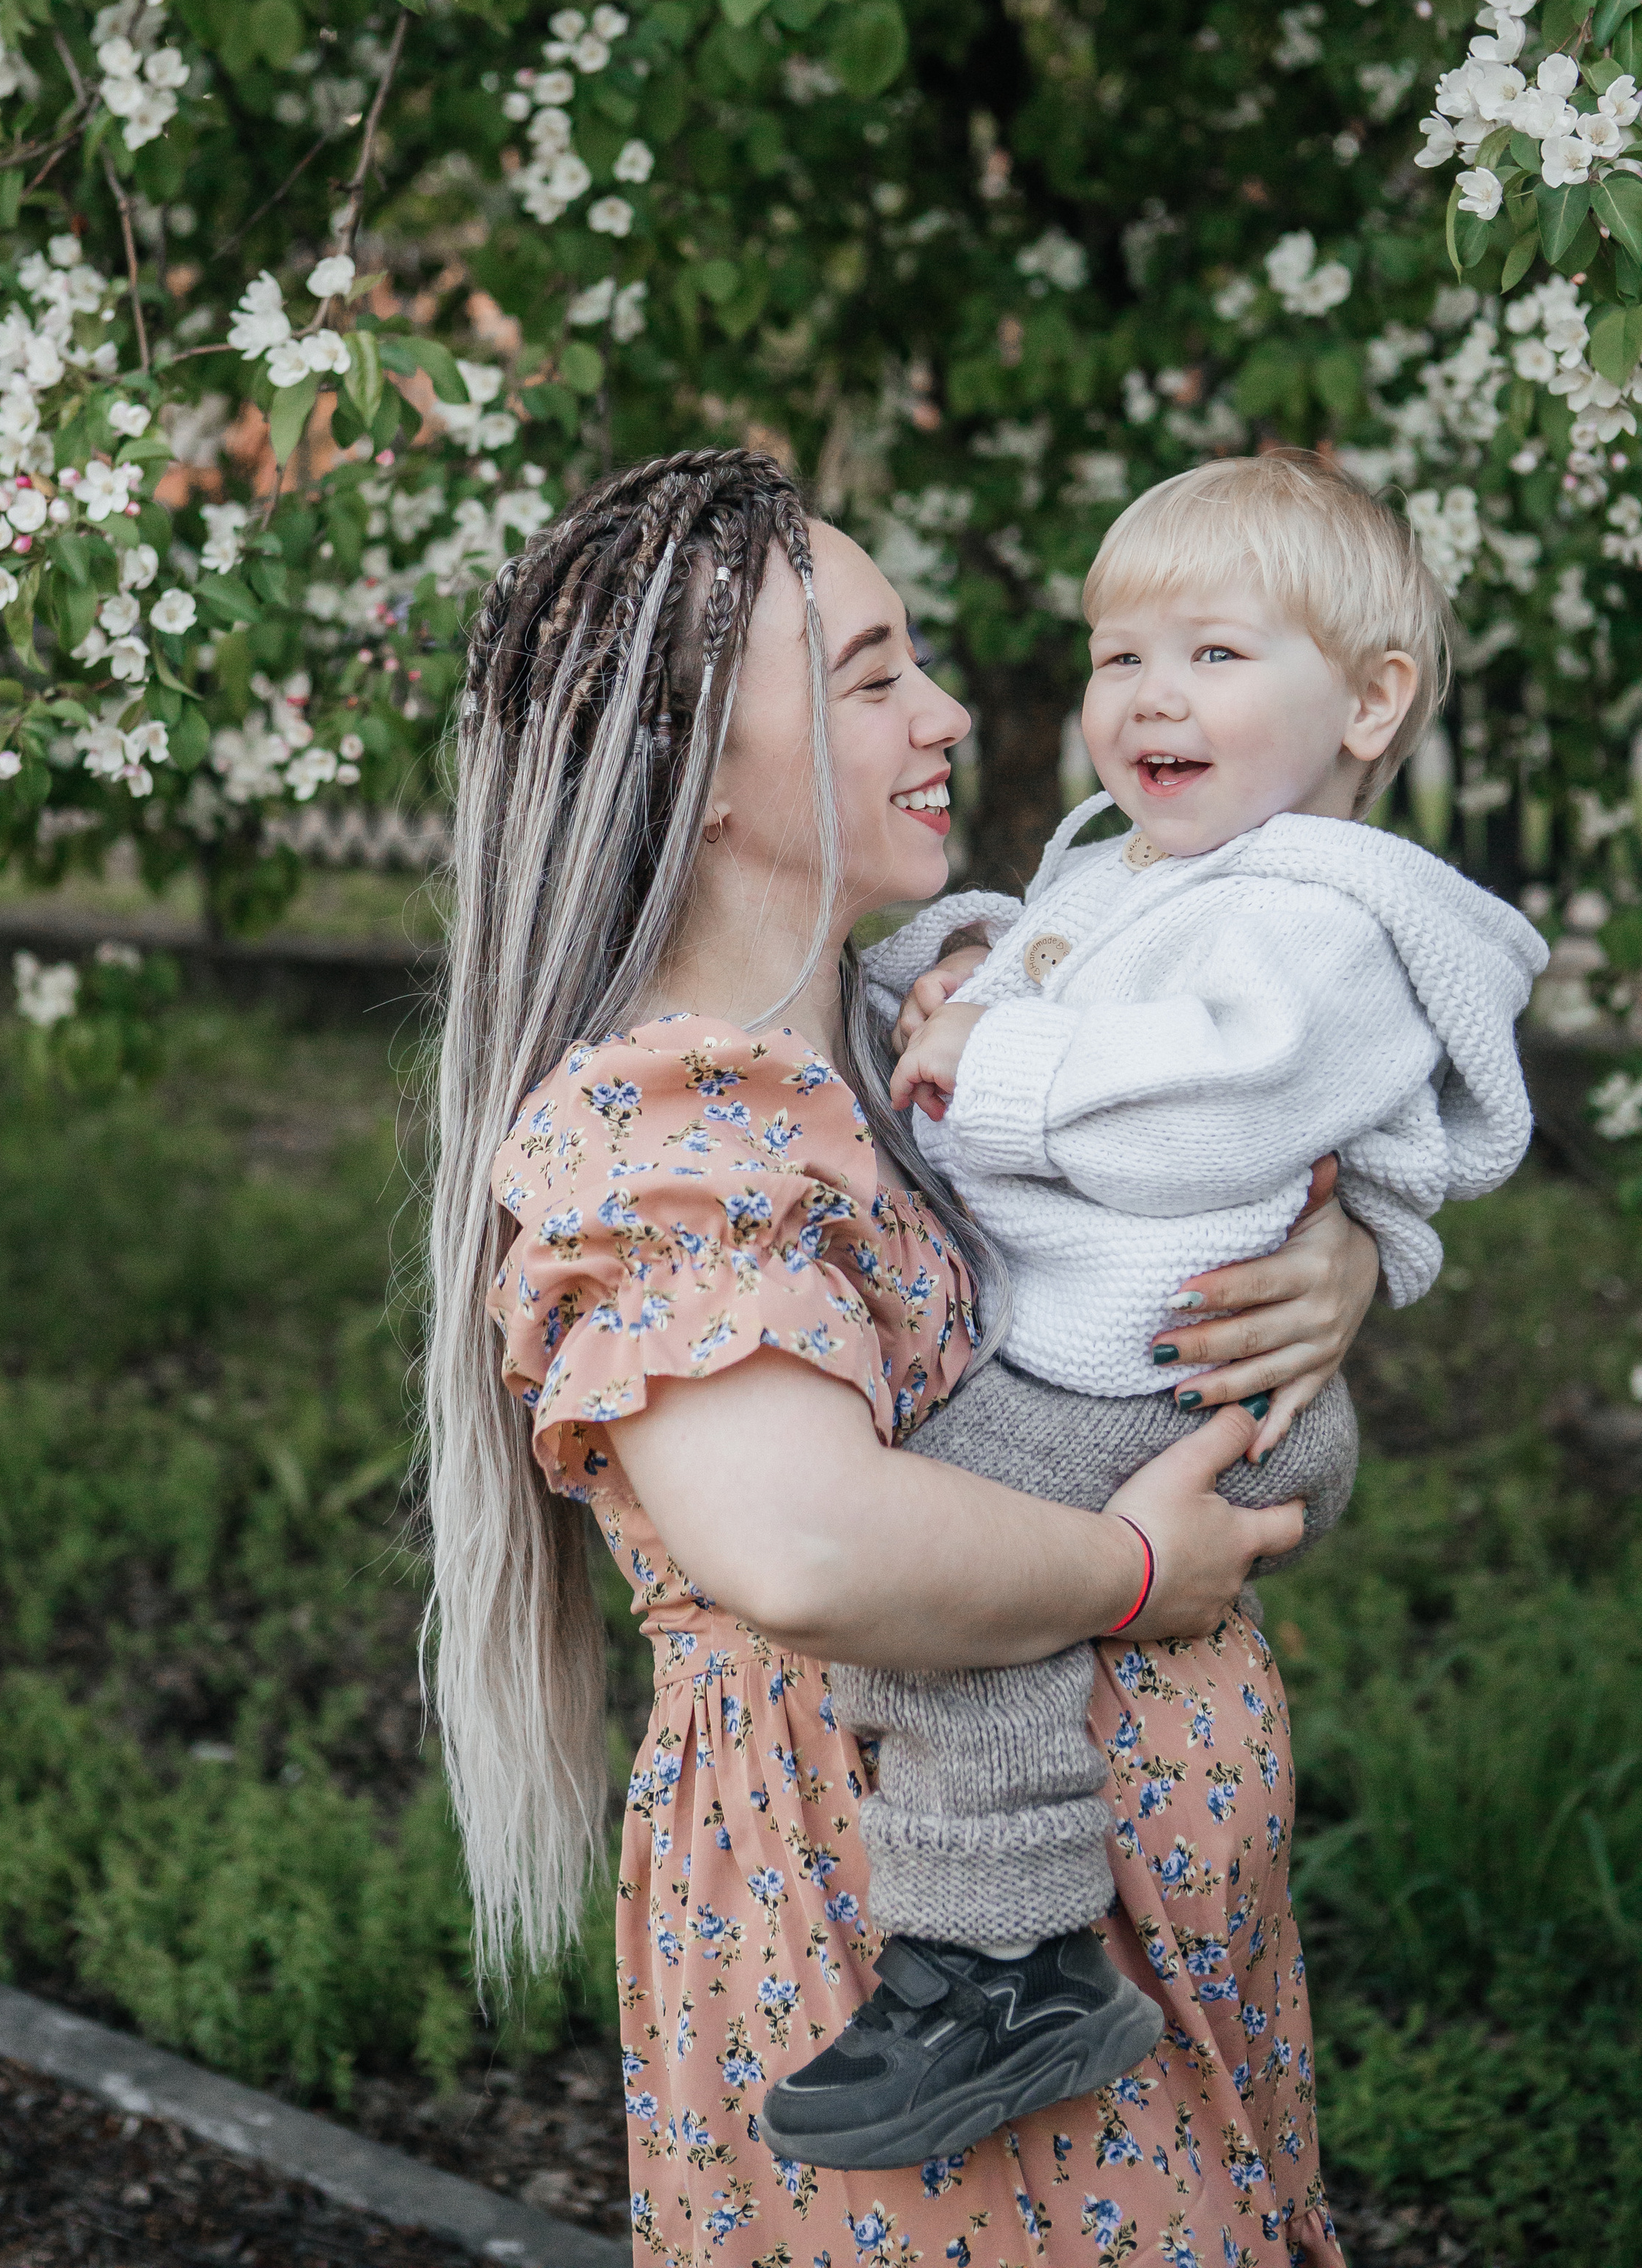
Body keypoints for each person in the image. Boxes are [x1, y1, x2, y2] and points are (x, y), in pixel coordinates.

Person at [426, 447, 1381, 2267]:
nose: (942, 709)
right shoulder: (669, 1128)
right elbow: (804, 1544)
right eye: (867, 675)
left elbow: (1195, 1193)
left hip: (1122, 1953)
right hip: (891, 1953)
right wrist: (1131, 1573)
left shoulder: (900, 1042)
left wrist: (1330, 1264)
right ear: (695, 774)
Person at [762, 452, 1546, 2174]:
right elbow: (1045, 963)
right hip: (1131, 1365)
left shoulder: (1324, 912)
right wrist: (958, 967)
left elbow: (1218, 1102)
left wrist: (1002, 1059)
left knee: (939, 1565)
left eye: (1208, 653)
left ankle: (1005, 1961)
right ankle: (994, 1952)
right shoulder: (1136, 871)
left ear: (1369, 698)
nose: (1145, 696)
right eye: (1119, 654)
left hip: (1166, 1389)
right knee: (954, 1546)